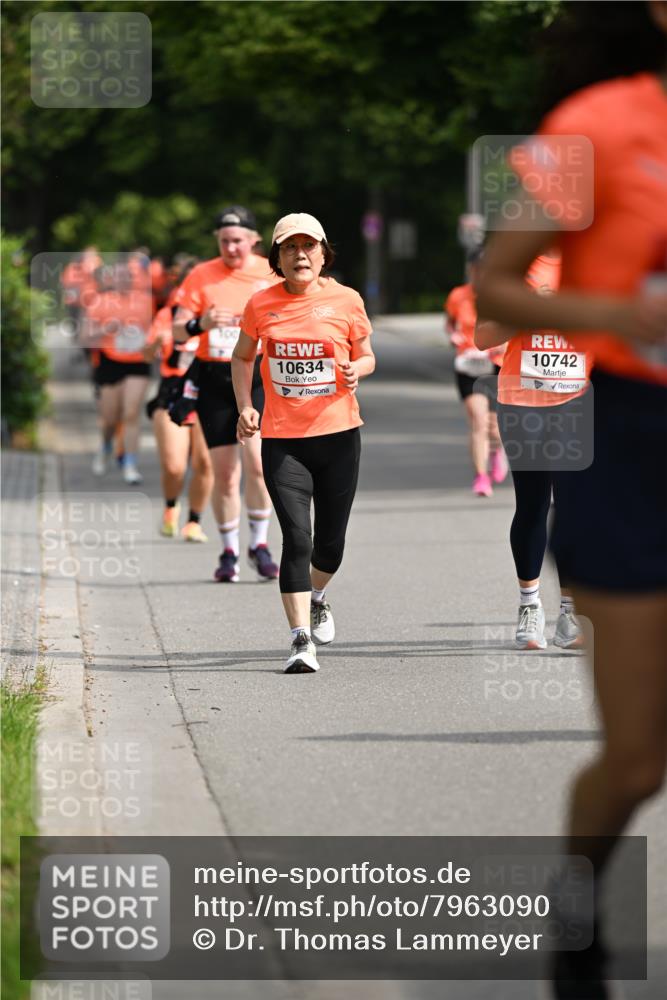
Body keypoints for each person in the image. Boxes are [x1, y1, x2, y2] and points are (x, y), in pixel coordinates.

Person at [475, 3, 667, 994]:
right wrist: (617, 311)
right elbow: (498, 284)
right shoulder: (598, 123)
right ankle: (578, 904)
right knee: (637, 761)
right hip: (632, 438)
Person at [232, 213, 375, 673]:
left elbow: (367, 354)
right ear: (276, 257)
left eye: (308, 246)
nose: (300, 255)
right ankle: (299, 641)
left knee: (330, 545)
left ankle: (317, 596)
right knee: (297, 538)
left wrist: (359, 370)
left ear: (322, 252)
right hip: (283, 440)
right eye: (289, 248)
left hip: (339, 436)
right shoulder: (261, 304)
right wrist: (244, 406)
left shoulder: (346, 300)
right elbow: (241, 356)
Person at [475, 250, 589, 649]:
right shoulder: (516, 265)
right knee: (533, 503)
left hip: (578, 401)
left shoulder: (597, 261)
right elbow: (482, 336)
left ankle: (571, 611)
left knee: (577, 507)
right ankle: (530, 604)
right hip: (522, 402)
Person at [173, 207, 281, 582]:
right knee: (225, 473)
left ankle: (261, 545)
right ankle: (230, 551)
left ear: (254, 239)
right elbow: (176, 332)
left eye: (238, 240)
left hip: (257, 376)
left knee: (257, 465)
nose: (231, 248)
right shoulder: (201, 274)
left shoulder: (271, 273)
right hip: (215, 378)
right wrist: (199, 323)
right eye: (224, 241)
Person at [144, 258, 214, 541]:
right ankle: (171, 507)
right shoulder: (168, 314)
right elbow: (146, 355)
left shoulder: (218, 316)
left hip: (207, 391)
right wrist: (156, 343)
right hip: (173, 392)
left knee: (205, 463)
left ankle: (194, 521)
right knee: (174, 465)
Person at [444, 249, 508, 496]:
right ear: (472, 270)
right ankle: (481, 477)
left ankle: (496, 450)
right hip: (468, 364)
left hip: (496, 364)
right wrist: (453, 335)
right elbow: (449, 322)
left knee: (495, 426)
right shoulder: (458, 296)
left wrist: (501, 344)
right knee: (478, 420)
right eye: (478, 269)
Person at [85, 263, 152, 484]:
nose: (124, 280)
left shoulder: (145, 301)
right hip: (110, 362)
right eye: (119, 276)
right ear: (111, 279)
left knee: (131, 413)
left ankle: (130, 463)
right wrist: (105, 330)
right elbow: (84, 336)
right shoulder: (100, 301)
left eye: (128, 276)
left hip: (138, 362)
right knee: (109, 419)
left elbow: (157, 328)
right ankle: (105, 447)